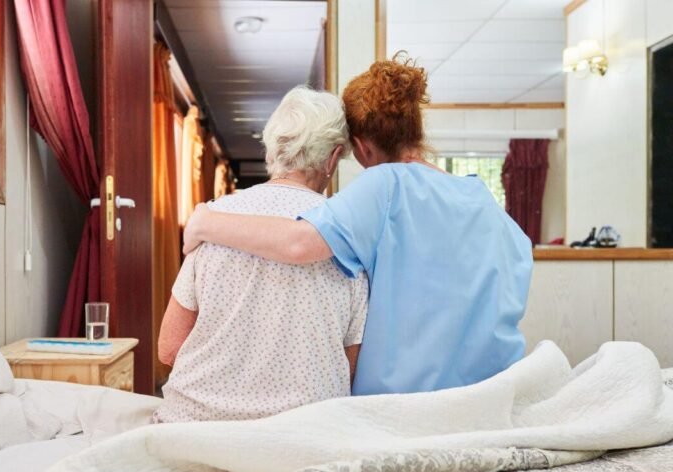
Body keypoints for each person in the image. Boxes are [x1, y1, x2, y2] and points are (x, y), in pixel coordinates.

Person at [183, 56, 533, 396]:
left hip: (405, 406)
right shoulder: (480, 197)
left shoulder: (386, 184)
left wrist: (205, 221)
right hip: (492, 393)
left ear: (362, 147)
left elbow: (298, 244)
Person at [152, 87, 369, 423]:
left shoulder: (212, 220)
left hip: (195, 429)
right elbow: (351, 367)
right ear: (332, 158)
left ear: (273, 149)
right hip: (300, 436)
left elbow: (169, 348)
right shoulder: (347, 236)